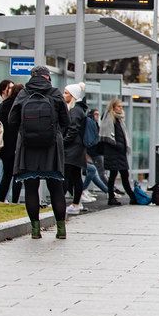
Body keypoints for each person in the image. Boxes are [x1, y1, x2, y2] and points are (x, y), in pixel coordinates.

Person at [9, 65, 69, 239]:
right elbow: (67, 120)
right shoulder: (55, 93)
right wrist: (55, 131)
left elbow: (12, 119)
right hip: (51, 146)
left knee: (31, 188)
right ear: (47, 77)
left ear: (32, 76)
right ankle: (61, 230)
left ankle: (35, 231)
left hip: (28, 146)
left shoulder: (23, 94)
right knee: (56, 187)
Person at [100, 98, 135, 205]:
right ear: (113, 107)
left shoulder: (118, 119)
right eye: (119, 106)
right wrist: (119, 145)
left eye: (121, 106)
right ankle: (131, 197)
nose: (121, 108)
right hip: (114, 153)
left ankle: (115, 197)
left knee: (118, 175)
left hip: (119, 153)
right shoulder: (110, 119)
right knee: (120, 174)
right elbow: (107, 136)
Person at [0, 83, 25, 203]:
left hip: (4, 145)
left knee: (6, 174)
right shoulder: (21, 106)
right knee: (17, 175)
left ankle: (1, 199)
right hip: (17, 145)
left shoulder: (2, 105)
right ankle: (15, 201)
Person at [62, 82, 88, 216]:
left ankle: (64, 203)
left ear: (73, 96)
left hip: (72, 149)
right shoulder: (78, 110)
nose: (63, 95)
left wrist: (62, 142)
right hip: (77, 149)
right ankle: (76, 203)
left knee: (67, 176)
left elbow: (72, 130)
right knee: (76, 176)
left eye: (66, 93)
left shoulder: (75, 111)